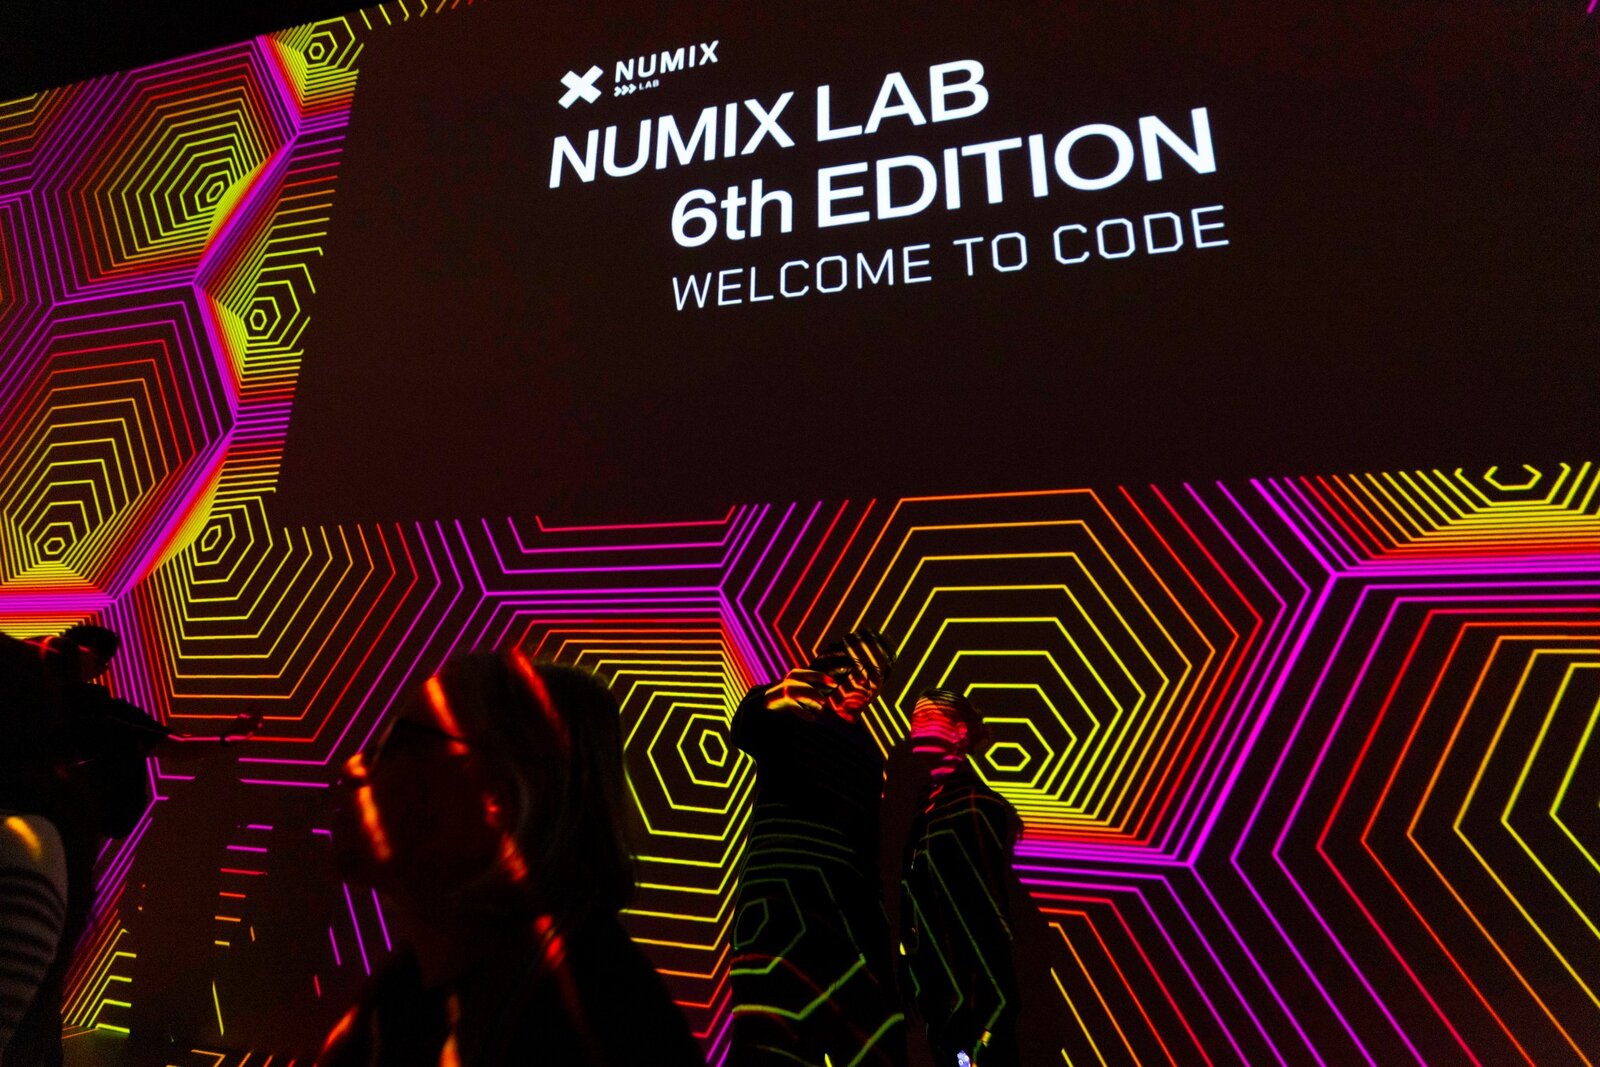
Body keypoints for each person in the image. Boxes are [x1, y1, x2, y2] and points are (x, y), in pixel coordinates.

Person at [319, 651, 703, 1067]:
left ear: (497, 799)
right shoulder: (398, 1006)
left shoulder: (595, 1017)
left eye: (398, 743)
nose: (353, 766)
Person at [0, 625, 260, 1067]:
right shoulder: (89, 708)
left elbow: (170, 745)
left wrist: (225, 739)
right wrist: (226, 739)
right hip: (52, 850)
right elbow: (173, 745)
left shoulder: (68, 703)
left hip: (43, 847)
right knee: (36, 994)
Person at [728, 630, 907, 1066]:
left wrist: (880, 933)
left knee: (873, 1043)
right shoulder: (792, 711)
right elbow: (747, 728)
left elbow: (866, 845)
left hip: (845, 906)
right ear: (834, 665)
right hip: (780, 900)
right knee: (772, 1043)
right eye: (858, 668)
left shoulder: (869, 753)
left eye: (878, 674)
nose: (867, 682)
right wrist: (775, 697)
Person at [895, 690, 1025, 1067]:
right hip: (942, 1000)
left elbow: (990, 914)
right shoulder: (925, 807)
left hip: (972, 1006)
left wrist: (984, 1008)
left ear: (960, 732)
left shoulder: (974, 805)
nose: (916, 728)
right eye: (914, 720)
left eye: (928, 717)